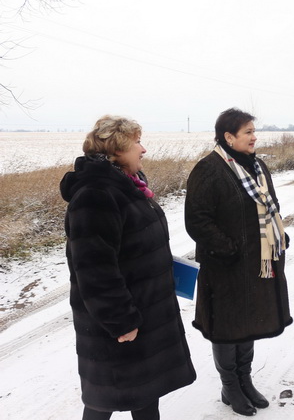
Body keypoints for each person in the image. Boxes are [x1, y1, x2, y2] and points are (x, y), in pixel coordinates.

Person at [60, 115, 197, 420]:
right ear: (117, 149)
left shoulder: (128, 185)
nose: (143, 149)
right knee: (103, 399)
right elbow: (94, 268)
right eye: (137, 142)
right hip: (119, 322)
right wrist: (121, 321)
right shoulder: (96, 195)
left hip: (142, 312)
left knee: (145, 394)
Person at [185, 108, 292, 416]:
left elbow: (271, 205)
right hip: (225, 267)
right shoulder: (209, 169)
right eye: (248, 132)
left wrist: (278, 235)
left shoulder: (257, 166)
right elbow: (197, 220)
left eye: (253, 131)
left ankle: (245, 379)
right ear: (229, 137)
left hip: (257, 263)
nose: (254, 137)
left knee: (249, 322)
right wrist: (228, 249)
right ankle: (229, 385)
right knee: (227, 326)